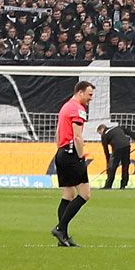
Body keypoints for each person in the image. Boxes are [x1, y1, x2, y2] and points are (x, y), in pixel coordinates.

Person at [51, 80, 95, 247]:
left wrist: (61, 151)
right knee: (85, 194)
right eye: (89, 95)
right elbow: (77, 136)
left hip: (62, 152)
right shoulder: (78, 109)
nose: (91, 98)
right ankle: (60, 228)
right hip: (71, 154)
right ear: (80, 92)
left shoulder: (66, 106)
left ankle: (64, 236)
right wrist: (80, 155)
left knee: (68, 195)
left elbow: (58, 132)